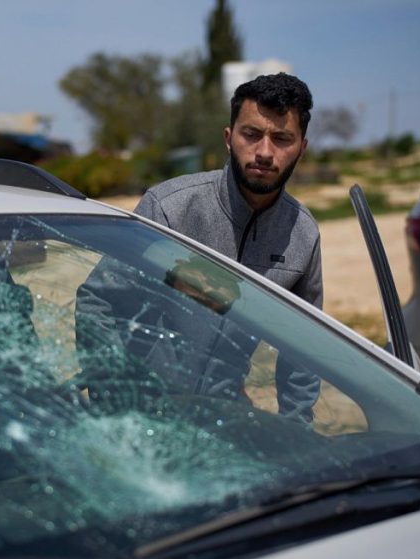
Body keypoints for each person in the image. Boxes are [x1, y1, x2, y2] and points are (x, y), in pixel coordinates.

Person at [131, 72, 322, 423]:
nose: (265, 152)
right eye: (251, 134)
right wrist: (113, 401)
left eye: (282, 138)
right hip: (143, 412)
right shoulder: (168, 209)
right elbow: (102, 302)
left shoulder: (303, 234)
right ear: (228, 137)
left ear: (302, 148)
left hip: (224, 416)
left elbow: (303, 353)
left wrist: (297, 434)